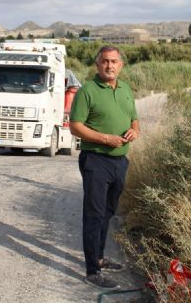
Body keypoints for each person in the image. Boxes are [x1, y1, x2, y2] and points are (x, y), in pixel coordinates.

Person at [69, 46, 140, 289]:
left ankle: (99, 257)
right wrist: (106, 139)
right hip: (96, 160)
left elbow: (134, 119)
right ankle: (92, 271)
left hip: (120, 161)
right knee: (94, 214)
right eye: (105, 61)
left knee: (108, 212)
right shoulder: (87, 90)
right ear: (97, 65)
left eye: (114, 61)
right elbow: (76, 126)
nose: (109, 66)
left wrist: (135, 130)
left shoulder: (125, 89)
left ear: (121, 65)